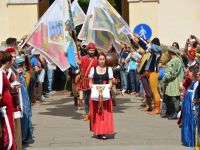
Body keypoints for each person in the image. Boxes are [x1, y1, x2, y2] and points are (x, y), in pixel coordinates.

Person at [134, 33, 163, 115]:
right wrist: (139, 40)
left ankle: (157, 109)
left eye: (153, 43)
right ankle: (154, 107)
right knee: (152, 91)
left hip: (154, 72)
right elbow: (145, 47)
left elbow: (148, 46)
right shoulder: (155, 50)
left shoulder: (158, 50)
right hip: (151, 72)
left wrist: (139, 38)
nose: (151, 45)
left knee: (154, 91)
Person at [89, 52, 114, 140]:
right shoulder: (93, 69)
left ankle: (103, 131)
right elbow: (90, 82)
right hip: (96, 95)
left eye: (103, 59)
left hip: (105, 95)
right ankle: (98, 131)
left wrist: (109, 86)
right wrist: (91, 85)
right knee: (97, 113)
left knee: (104, 114)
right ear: (98, 60)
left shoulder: (109, 69)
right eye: (100, 59)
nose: (102, 61)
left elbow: (111, 82)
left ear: (105, 60)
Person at [0, 51, 17, 150]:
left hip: (7, 102)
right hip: (4, 104)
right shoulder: (0, 73)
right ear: (7, 62)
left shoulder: (3, 73)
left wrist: (12, 86)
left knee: (10, 127)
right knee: (7, 130)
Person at [162, 47, 185, 119]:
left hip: (175, 81)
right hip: (172, 81)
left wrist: (165, 77)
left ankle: (177, 112)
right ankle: (174, 111)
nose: (167, 54)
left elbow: (173, 72)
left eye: (168, 52)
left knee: (175, 98)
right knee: (173, 97)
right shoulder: (174, 60)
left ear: (171, 53)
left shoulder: (176, 60)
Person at [77, 42, 98, 121]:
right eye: (90, 50)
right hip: (85, 81)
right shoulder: (83, 58)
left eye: (93, 50)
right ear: (88, 50)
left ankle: (93, 113)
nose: (92, 51)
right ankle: (87, 113)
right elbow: (79, 68)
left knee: (94, 98)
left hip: (94, 81)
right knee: (86, 98)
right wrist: (78, 64)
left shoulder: (97, 59)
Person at [16, 56, 33, 144]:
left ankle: (25, 135)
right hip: (15, 93)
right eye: (19, 65)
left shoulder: (21, 74)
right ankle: (21, 136)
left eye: (21, 65)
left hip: (22, 89)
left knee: (26, 110)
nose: (21, 67)